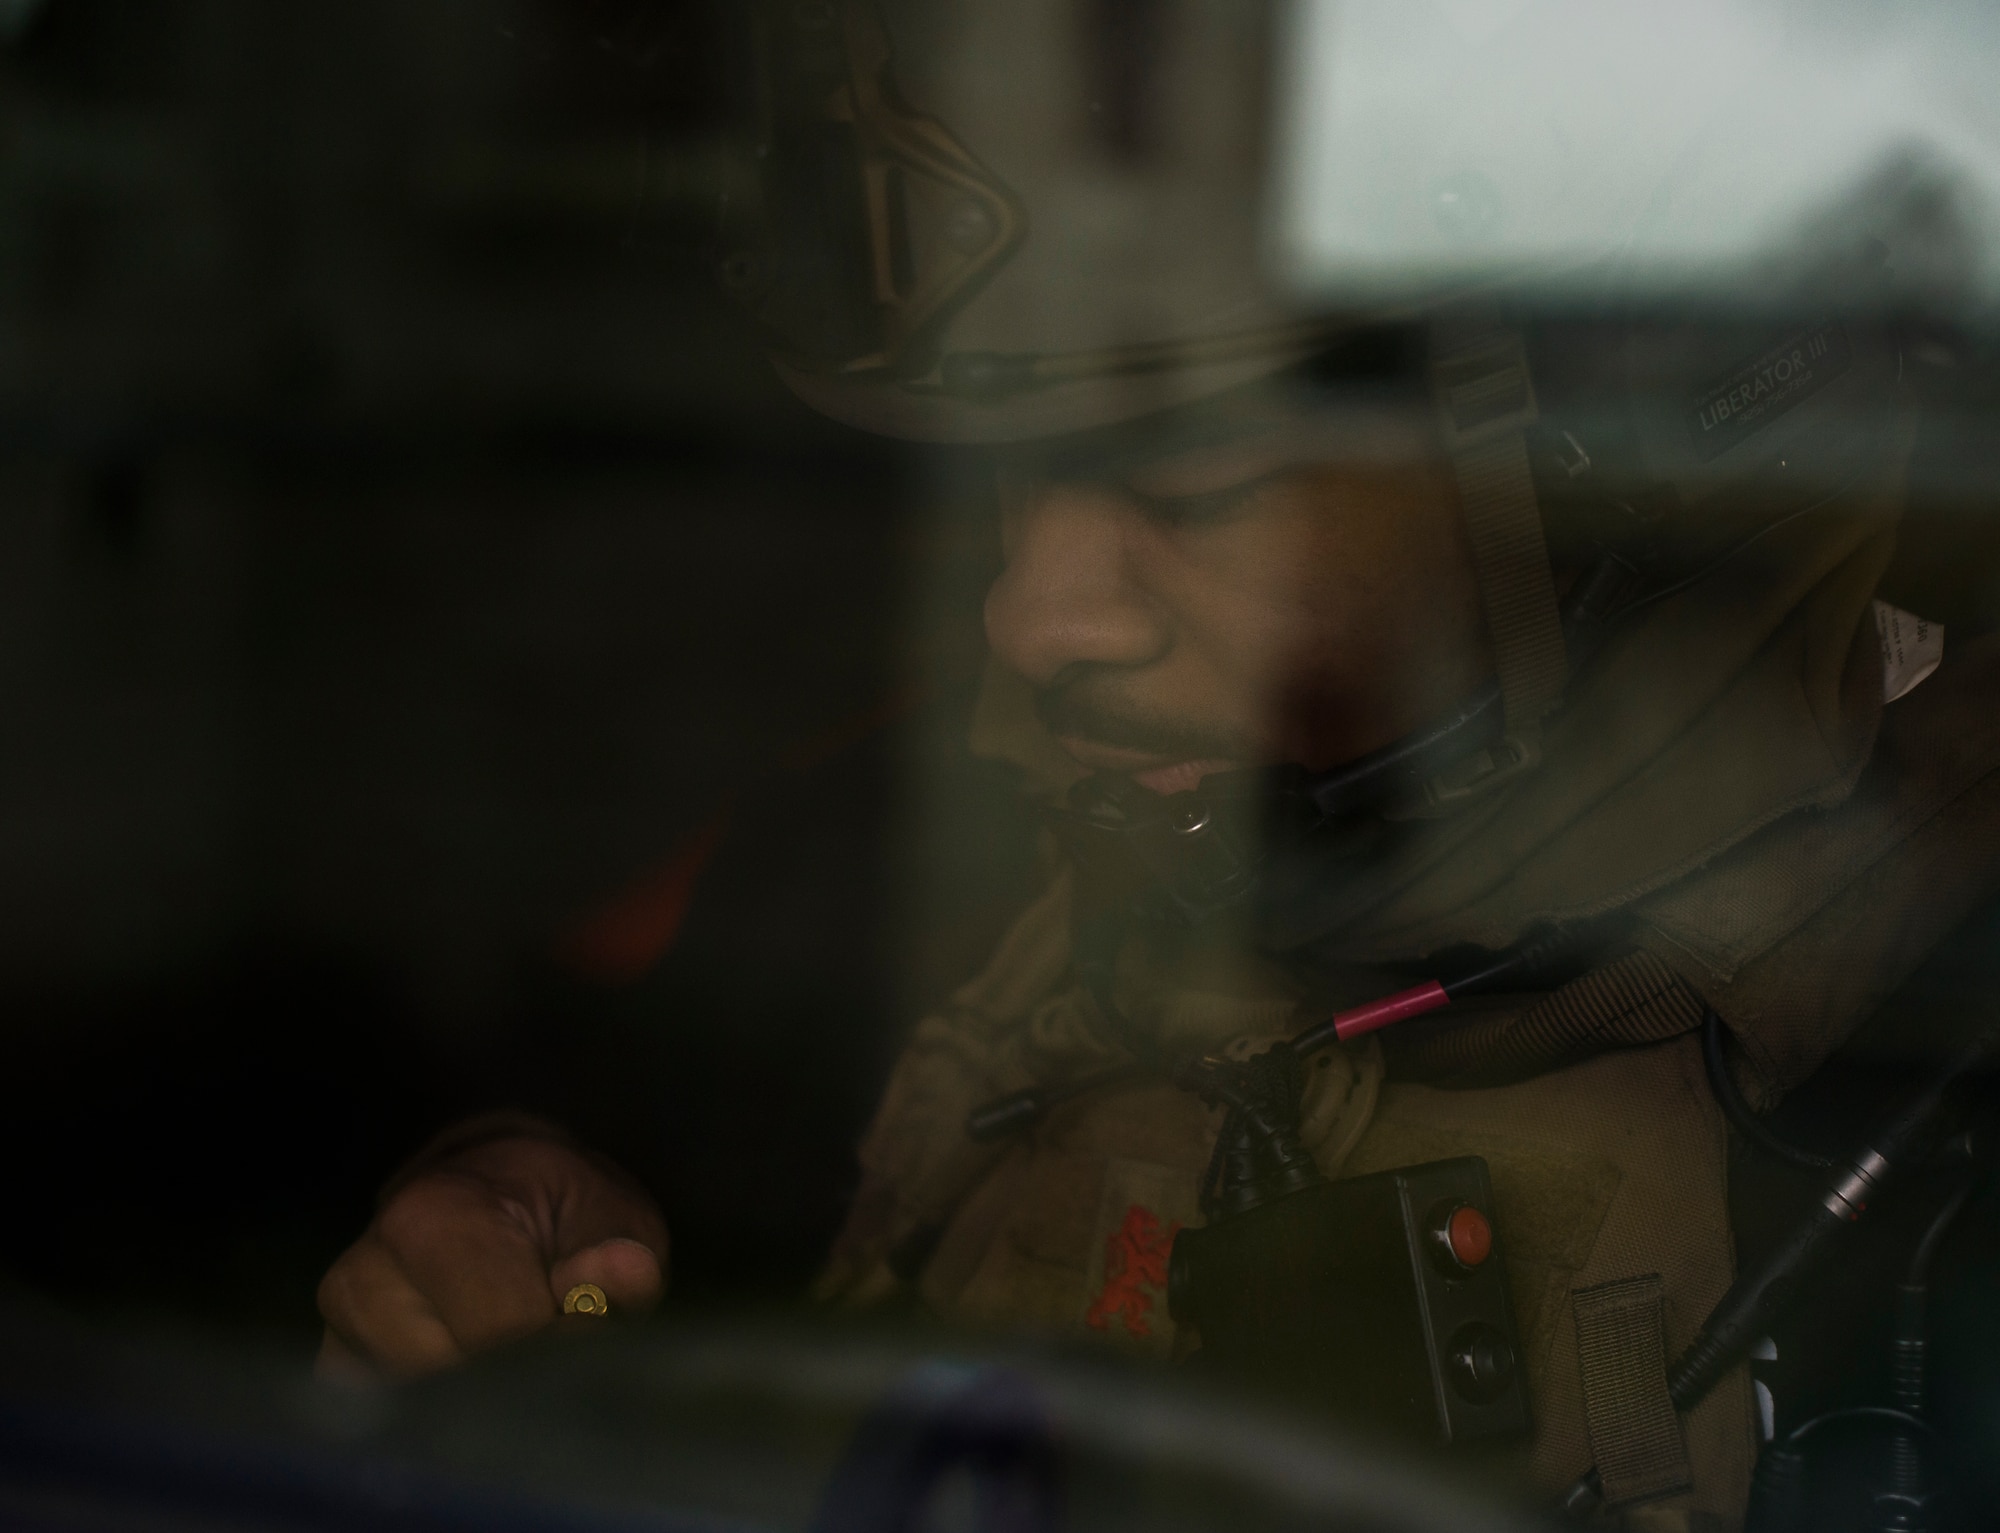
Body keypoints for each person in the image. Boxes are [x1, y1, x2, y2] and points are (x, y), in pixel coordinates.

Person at [316, 4, 2000, 1525]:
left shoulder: (1930, 1020)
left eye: (1186, 486)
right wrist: (502, 1195)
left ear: (1605, 487)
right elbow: (579, 1139)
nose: (1032, 616)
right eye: (1009, 480)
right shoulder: (911, 846)